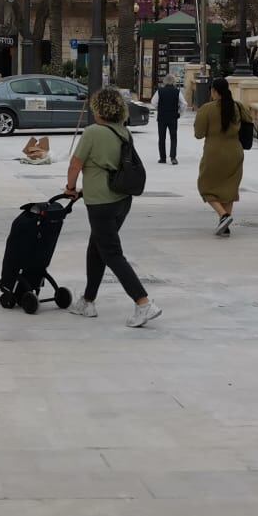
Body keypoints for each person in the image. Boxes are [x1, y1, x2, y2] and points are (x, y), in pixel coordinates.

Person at [63, 85, 160, 328]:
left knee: (112, 253)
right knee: (97, 249)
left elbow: (76, 165)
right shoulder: (123, 132)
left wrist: (70, 188)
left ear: (99, 109)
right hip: (121, 200)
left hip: (100, 204)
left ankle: (143, 302)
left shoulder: (92, 132)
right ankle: (87, 300)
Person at [194, 76, 245, 236]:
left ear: (214, 91)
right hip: (235, 152)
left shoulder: (207, 109)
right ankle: (225, 223)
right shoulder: (237, 107)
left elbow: (199, 134)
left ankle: (223, 215)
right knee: (229, 189)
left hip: (214, 154)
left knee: (205, 186)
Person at [155, 73, 182, 166]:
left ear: (164, 81)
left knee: (162, 138)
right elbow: (184, 104)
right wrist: (180, 112)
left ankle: (162, 158)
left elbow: (153, 102)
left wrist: (159, 108)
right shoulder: (177, 91)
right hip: (173, 117)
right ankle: (173, 157)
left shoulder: (160, 91)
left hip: (162, 117)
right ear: (174, 81)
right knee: (173, 137)